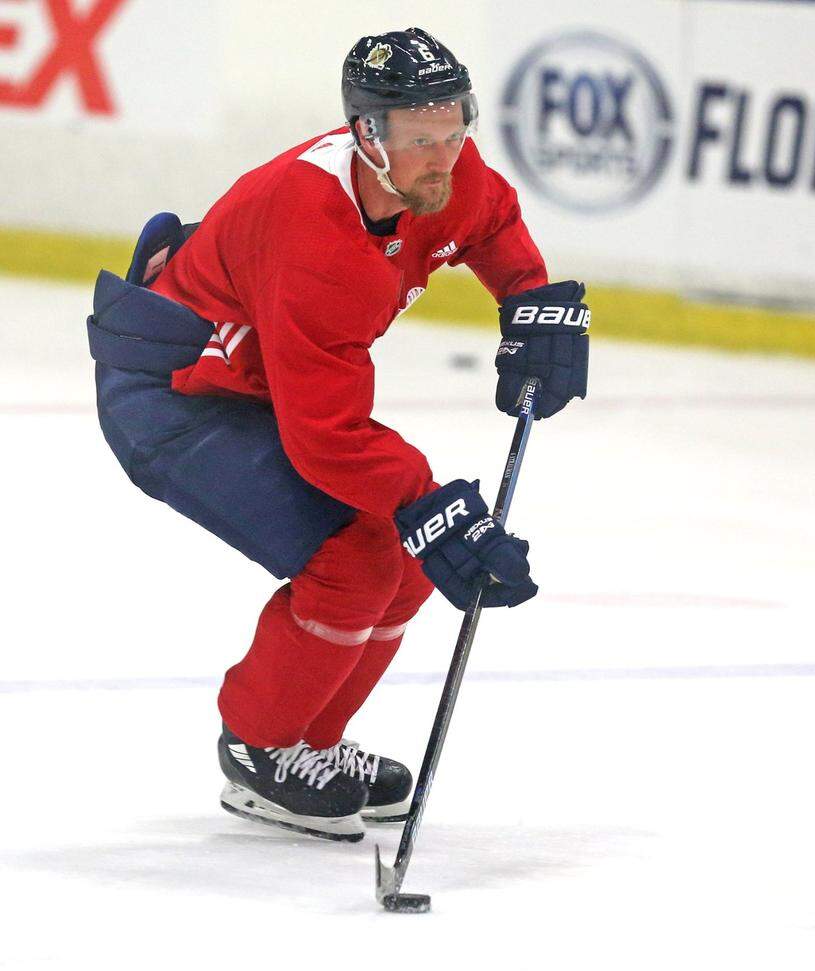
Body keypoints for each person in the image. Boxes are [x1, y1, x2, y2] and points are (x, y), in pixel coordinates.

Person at [85, 28, 590, 842]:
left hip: (262, 380)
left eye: (456, 129)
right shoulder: (317, 236)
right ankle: (260, 747)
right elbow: (326, 436)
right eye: (422, 138)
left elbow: (491, 222)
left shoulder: (445, 179)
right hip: (175, 396)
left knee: (403, 554)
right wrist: (430, 501)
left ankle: (311, 743)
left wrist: (528, 300)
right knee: (359, 554)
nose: (444, 154)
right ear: (367, 135)